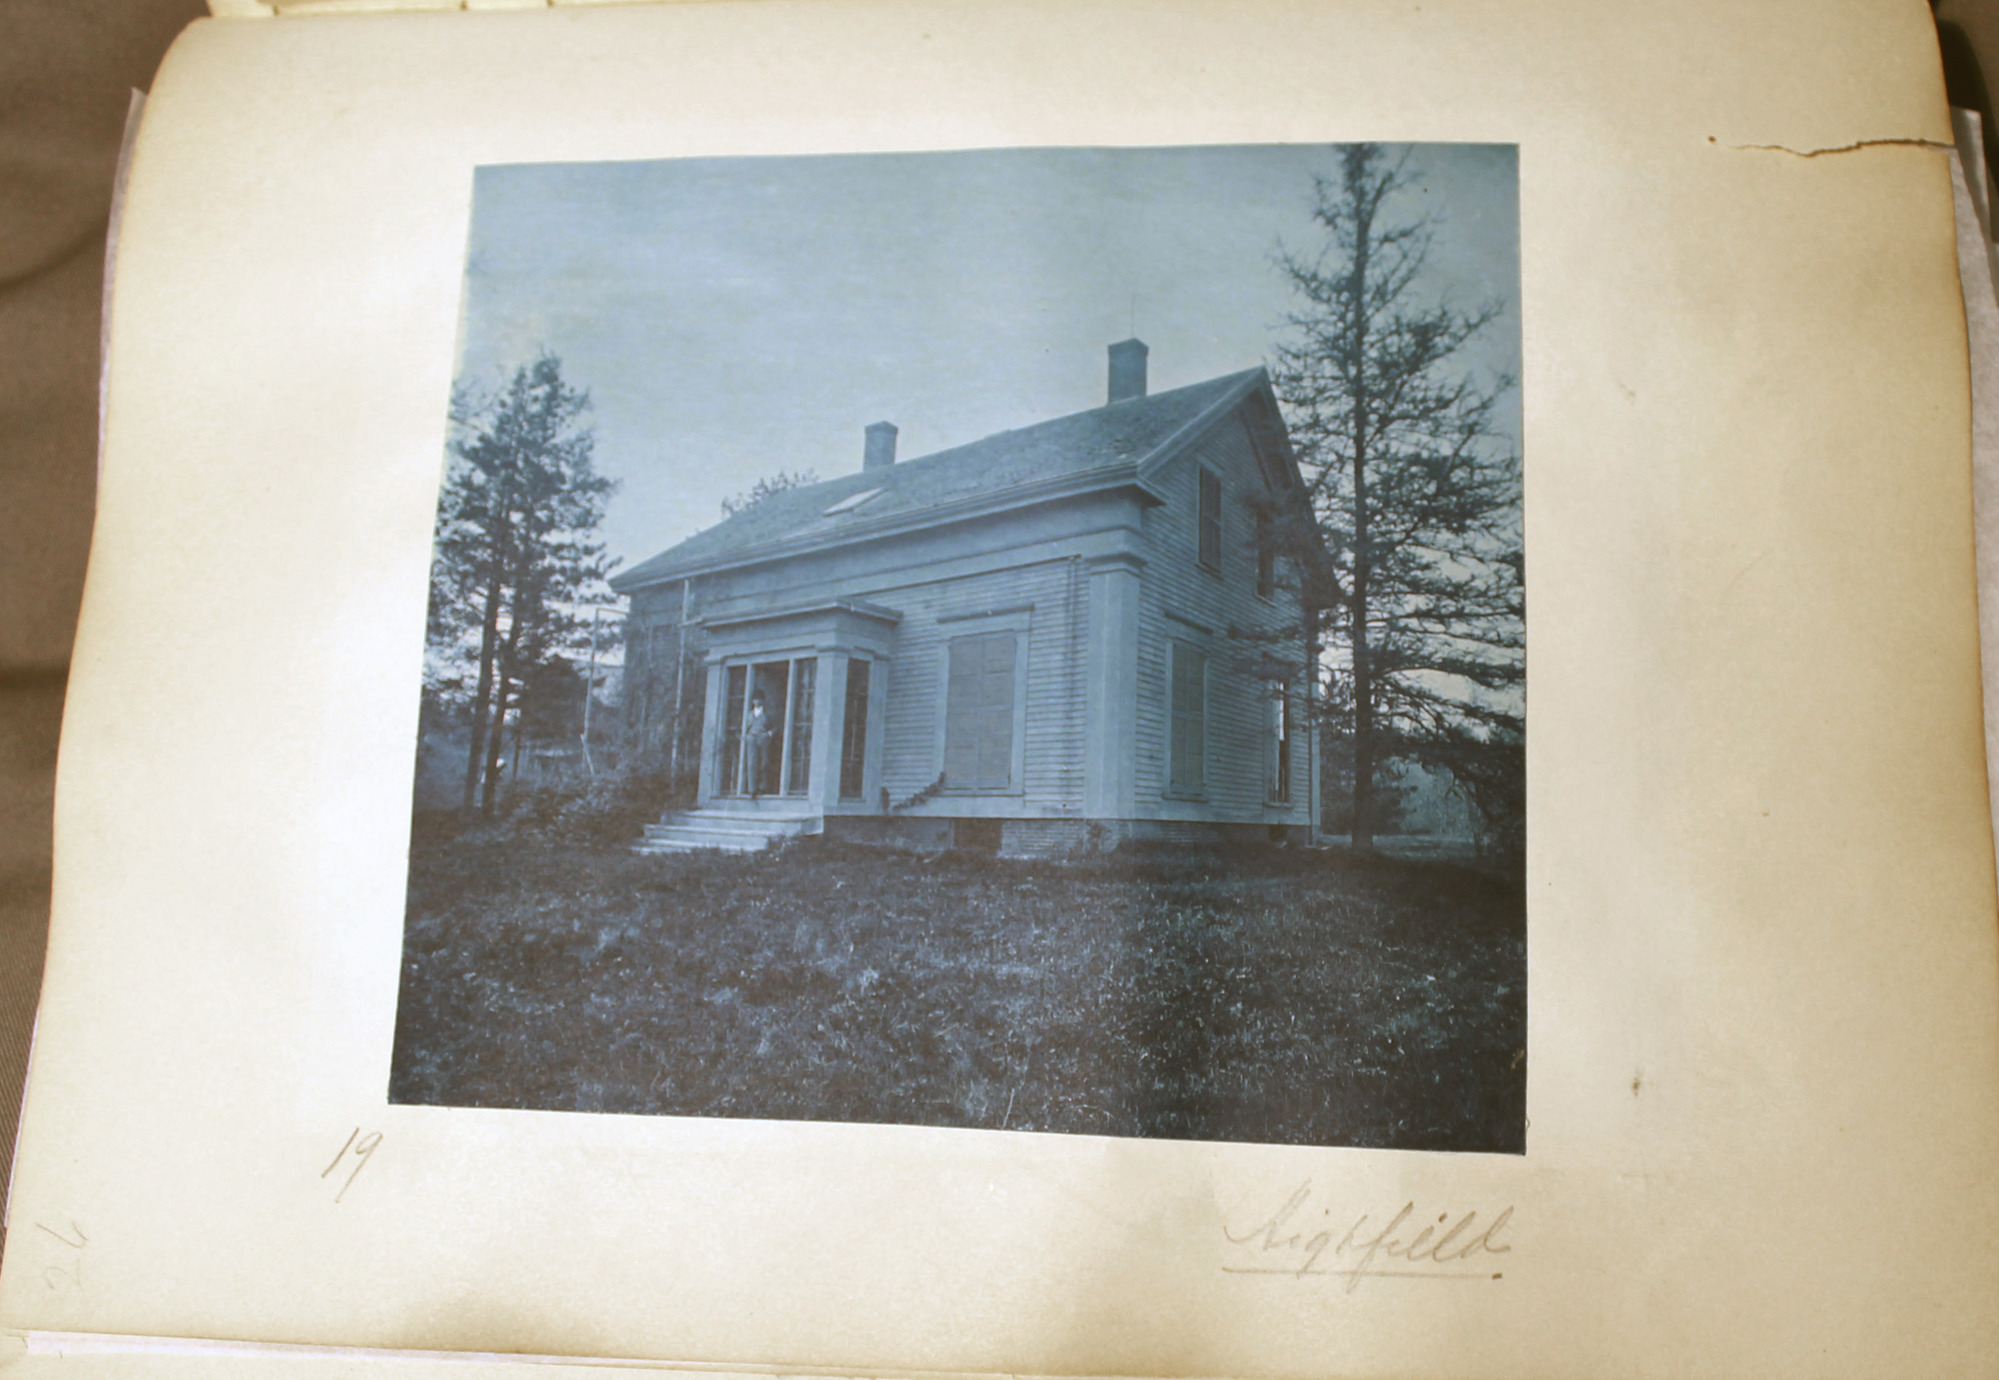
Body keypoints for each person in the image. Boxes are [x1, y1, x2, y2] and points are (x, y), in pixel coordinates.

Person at [743, 691, 773, 797]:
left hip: (763, 738)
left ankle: (762, 787)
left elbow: (775, 727)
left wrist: (768, 734)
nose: (757, 701)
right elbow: (745, 727)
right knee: (751, 763)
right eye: (755, 699)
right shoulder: (749, 714)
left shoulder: (767, 714)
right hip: (752, 738)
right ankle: (752, 789)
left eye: (760, 699)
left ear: (763, 701)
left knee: (764, 762)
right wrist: (747, 736)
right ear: (752, 701)